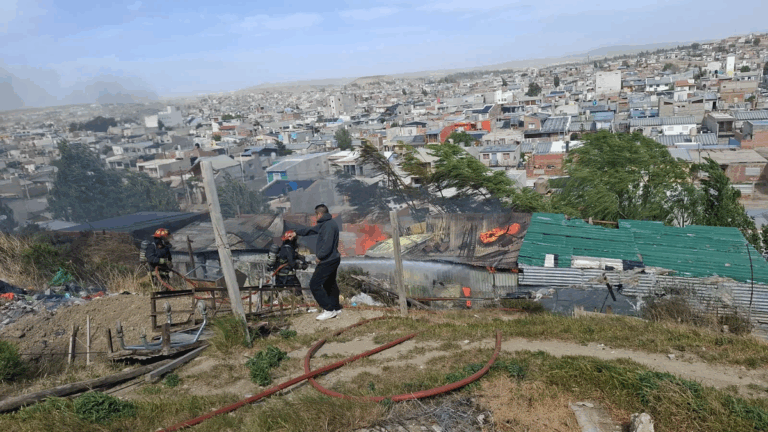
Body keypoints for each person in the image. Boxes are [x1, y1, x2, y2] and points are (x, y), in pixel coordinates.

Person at [291, 204, 342, 320]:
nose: (315, 217)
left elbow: (327, 244)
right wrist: (296, 232)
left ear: (319, 214)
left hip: (328, 260)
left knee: (314, 284)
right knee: (329, 283)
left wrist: (320, 256)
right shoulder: (327, 223)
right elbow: (310, 230)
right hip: (333, 258)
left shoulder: (328, 226)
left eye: (315, 214)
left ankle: (328, 310)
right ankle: (336, 307)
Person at [274, 230, 304, 295]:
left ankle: (271, 299)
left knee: (277, 294)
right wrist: (302, 266)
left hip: (279, 276)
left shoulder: (283, 248)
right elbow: (292, 264)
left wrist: (299, 256)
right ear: (292, 239)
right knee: (298, 294)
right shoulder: (289, 249)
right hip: (289, 277)